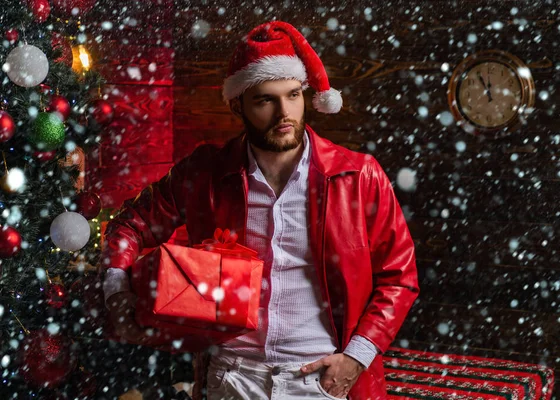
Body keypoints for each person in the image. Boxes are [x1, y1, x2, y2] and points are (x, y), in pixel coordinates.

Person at [102, 21, 419, 400]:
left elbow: (400, 277)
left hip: (320, 378)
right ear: (238, 104)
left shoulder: (358, 175)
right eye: (266, 99)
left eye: (293, 95)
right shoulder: (205, 171)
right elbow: (130, 226)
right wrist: (116, 291)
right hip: (232, 376)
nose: (284, 113)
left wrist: (355, 357)